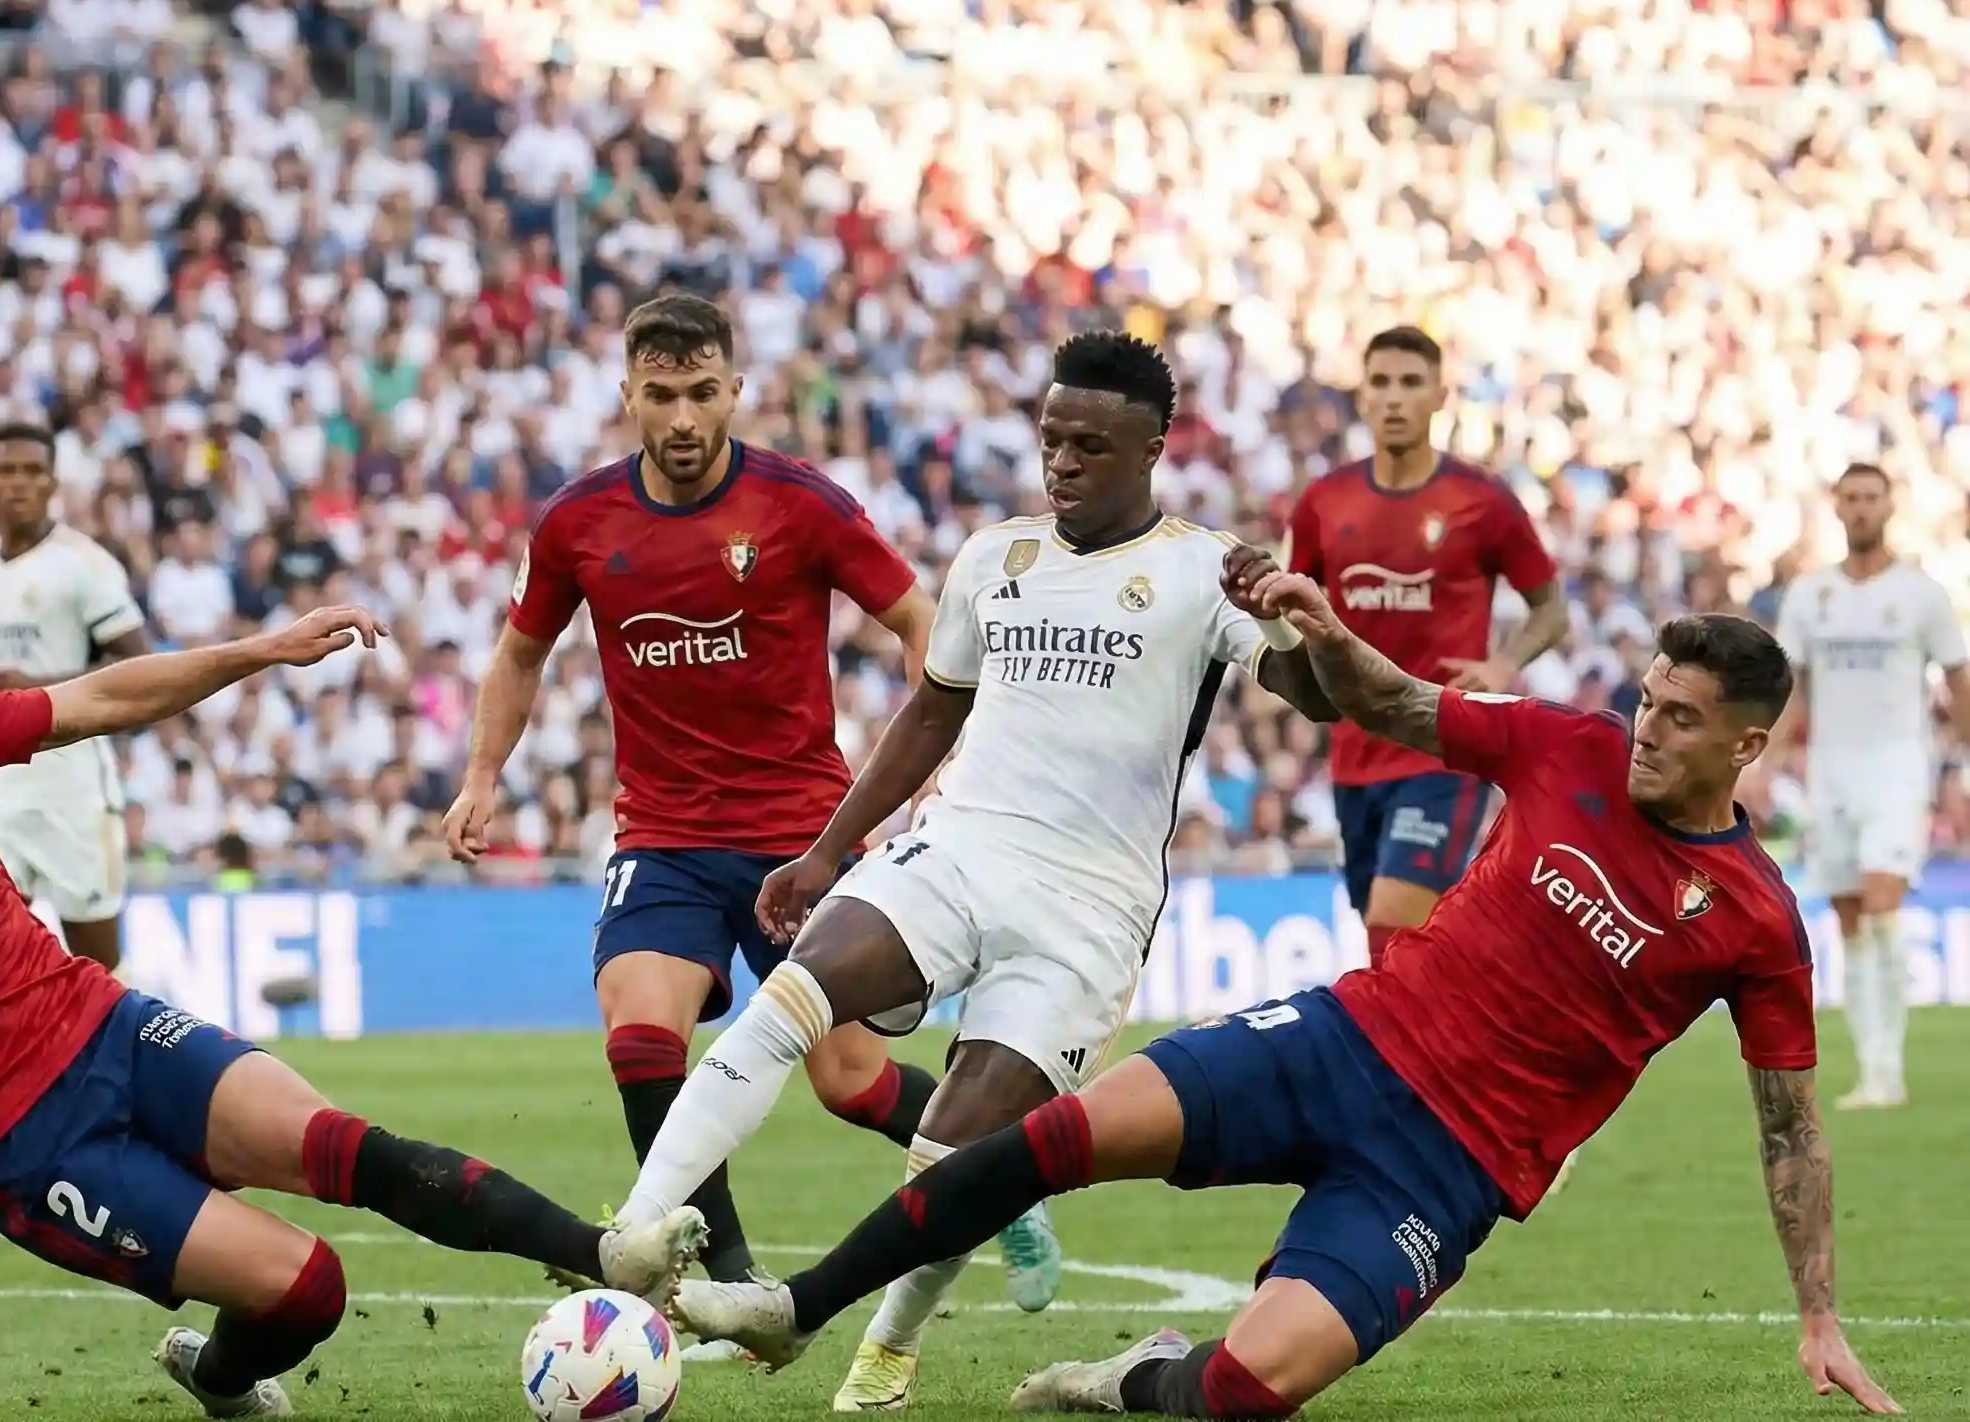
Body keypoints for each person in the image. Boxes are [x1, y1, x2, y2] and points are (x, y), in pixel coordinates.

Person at [671, 554, 1902, 1420]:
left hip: (1447, 1171)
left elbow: (1789, 1127)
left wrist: (1820, 1313)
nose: (1647, 729)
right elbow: (1393, 701)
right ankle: (799, 1305)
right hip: (1343, 1039)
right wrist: (1321, 623)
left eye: (1681, 719)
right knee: (1056, 1135)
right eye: (1648, 699)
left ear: (1746, 744)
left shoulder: (1755, 920)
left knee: (1247, 1387)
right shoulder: (1564, 741)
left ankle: (1124, 1375)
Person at [0, 567, 707, 1419]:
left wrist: (259, 651)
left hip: (107, 1022)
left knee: (343, 1143)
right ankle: (222, 1379)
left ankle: (603, 1250)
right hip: (19, 1139)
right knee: (308, 1289)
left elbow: (103, 695)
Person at [608, 331, 1338, 1411]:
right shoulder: (994, 558)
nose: (1064, 460)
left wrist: (1300, 619)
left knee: (956, 1149)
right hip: (959, 848)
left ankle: (886, 1346)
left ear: (1152, 447)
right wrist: (823, 850)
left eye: (1091, 442)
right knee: (796, 993)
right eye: (1052, 437)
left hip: (1091, 906)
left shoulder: (1205, 567)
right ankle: (635, 1236)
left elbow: (1316, 695)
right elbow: (933, 710)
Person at [442, 290, 1061, 1330]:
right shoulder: (579, 520)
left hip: (803, 838)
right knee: (639, 1031)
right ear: (626, 393)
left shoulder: (799, 502)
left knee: (854, 1082)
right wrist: (480, 777)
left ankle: (1003, 1177)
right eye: (659, 395)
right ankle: (718, 1263)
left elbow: (918, 618)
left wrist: (944, 762)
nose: (681, 419)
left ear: (735, 387)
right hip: (664, 838)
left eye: (699, 393)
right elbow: (518, 651)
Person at [1283, 327, 1565, 964]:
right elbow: (1292, 612)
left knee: (1394, 922)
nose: (1394, 398)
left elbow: (1552, 609)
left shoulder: (1482, 500)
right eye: (1380, 382)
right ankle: (1474, 1034)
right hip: (1354, 753)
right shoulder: (1325, 503)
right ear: (1361, 397)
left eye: (1411, 383)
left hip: (1443, 741)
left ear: (1440, 395)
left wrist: (1504, 662)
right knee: (1396, 946)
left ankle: (1397, 1062)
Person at [1772, 462, 1970, 1111]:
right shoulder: (1810, 596)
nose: (1860, 509)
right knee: (1850, 914)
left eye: (1871, 499)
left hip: (1897, 764)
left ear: (1889, 507)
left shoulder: (1920, 593)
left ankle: (1888, 1069)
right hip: (1833, 767)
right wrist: (1766, 761)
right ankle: (1871, 1070)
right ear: (1836, 506)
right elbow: (1793, 688)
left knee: (1884, 903)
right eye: (1850, 498)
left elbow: (1957, 678)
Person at [0, 423, 152, 971]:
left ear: (51, 484)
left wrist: (38, 689)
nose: (18, 483)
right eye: (6, 471)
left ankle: (121, 1055)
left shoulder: (85, 566)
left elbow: (137, 662)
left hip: (71, 787)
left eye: (31, 472)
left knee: (98, 966)